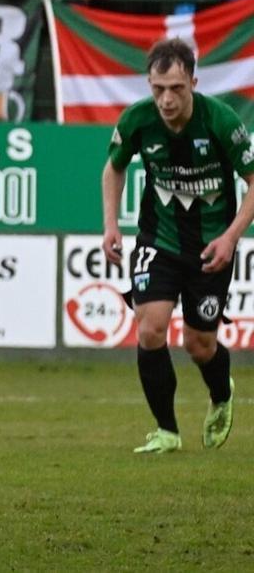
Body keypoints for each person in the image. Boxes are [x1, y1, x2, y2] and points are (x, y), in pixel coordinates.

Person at [101, 38, 246, 454]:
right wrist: (111, 224)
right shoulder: (137, 120)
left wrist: (231, 237)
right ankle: (167, 431)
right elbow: (113, 168)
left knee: (199, 345)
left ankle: (221, 394)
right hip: (158, 239)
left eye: (176, 89)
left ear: (194, 83)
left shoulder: (221, 121)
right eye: (157, 88)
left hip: (210, 247)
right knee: (149, 330)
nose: (166, 99)